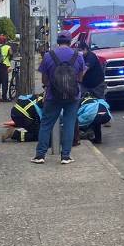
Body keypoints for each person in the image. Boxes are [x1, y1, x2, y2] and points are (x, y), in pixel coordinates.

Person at [31, 30, 85, 165]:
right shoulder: (78, 55)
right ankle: (65, 156)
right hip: (73, 96)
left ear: (58, 42)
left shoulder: (49, 55)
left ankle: (40, 155)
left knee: (46, 124)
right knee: (69, 124)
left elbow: (44, 80)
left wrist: (53, 85)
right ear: (70, 40)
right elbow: (80, 77)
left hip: (52, 95)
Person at [0, 35, 12, 101]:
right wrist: (9, 59)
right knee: (4, 82)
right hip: (5, 66)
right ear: (5, 41)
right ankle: (4, 97)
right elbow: (11, 54)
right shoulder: (8, 47)